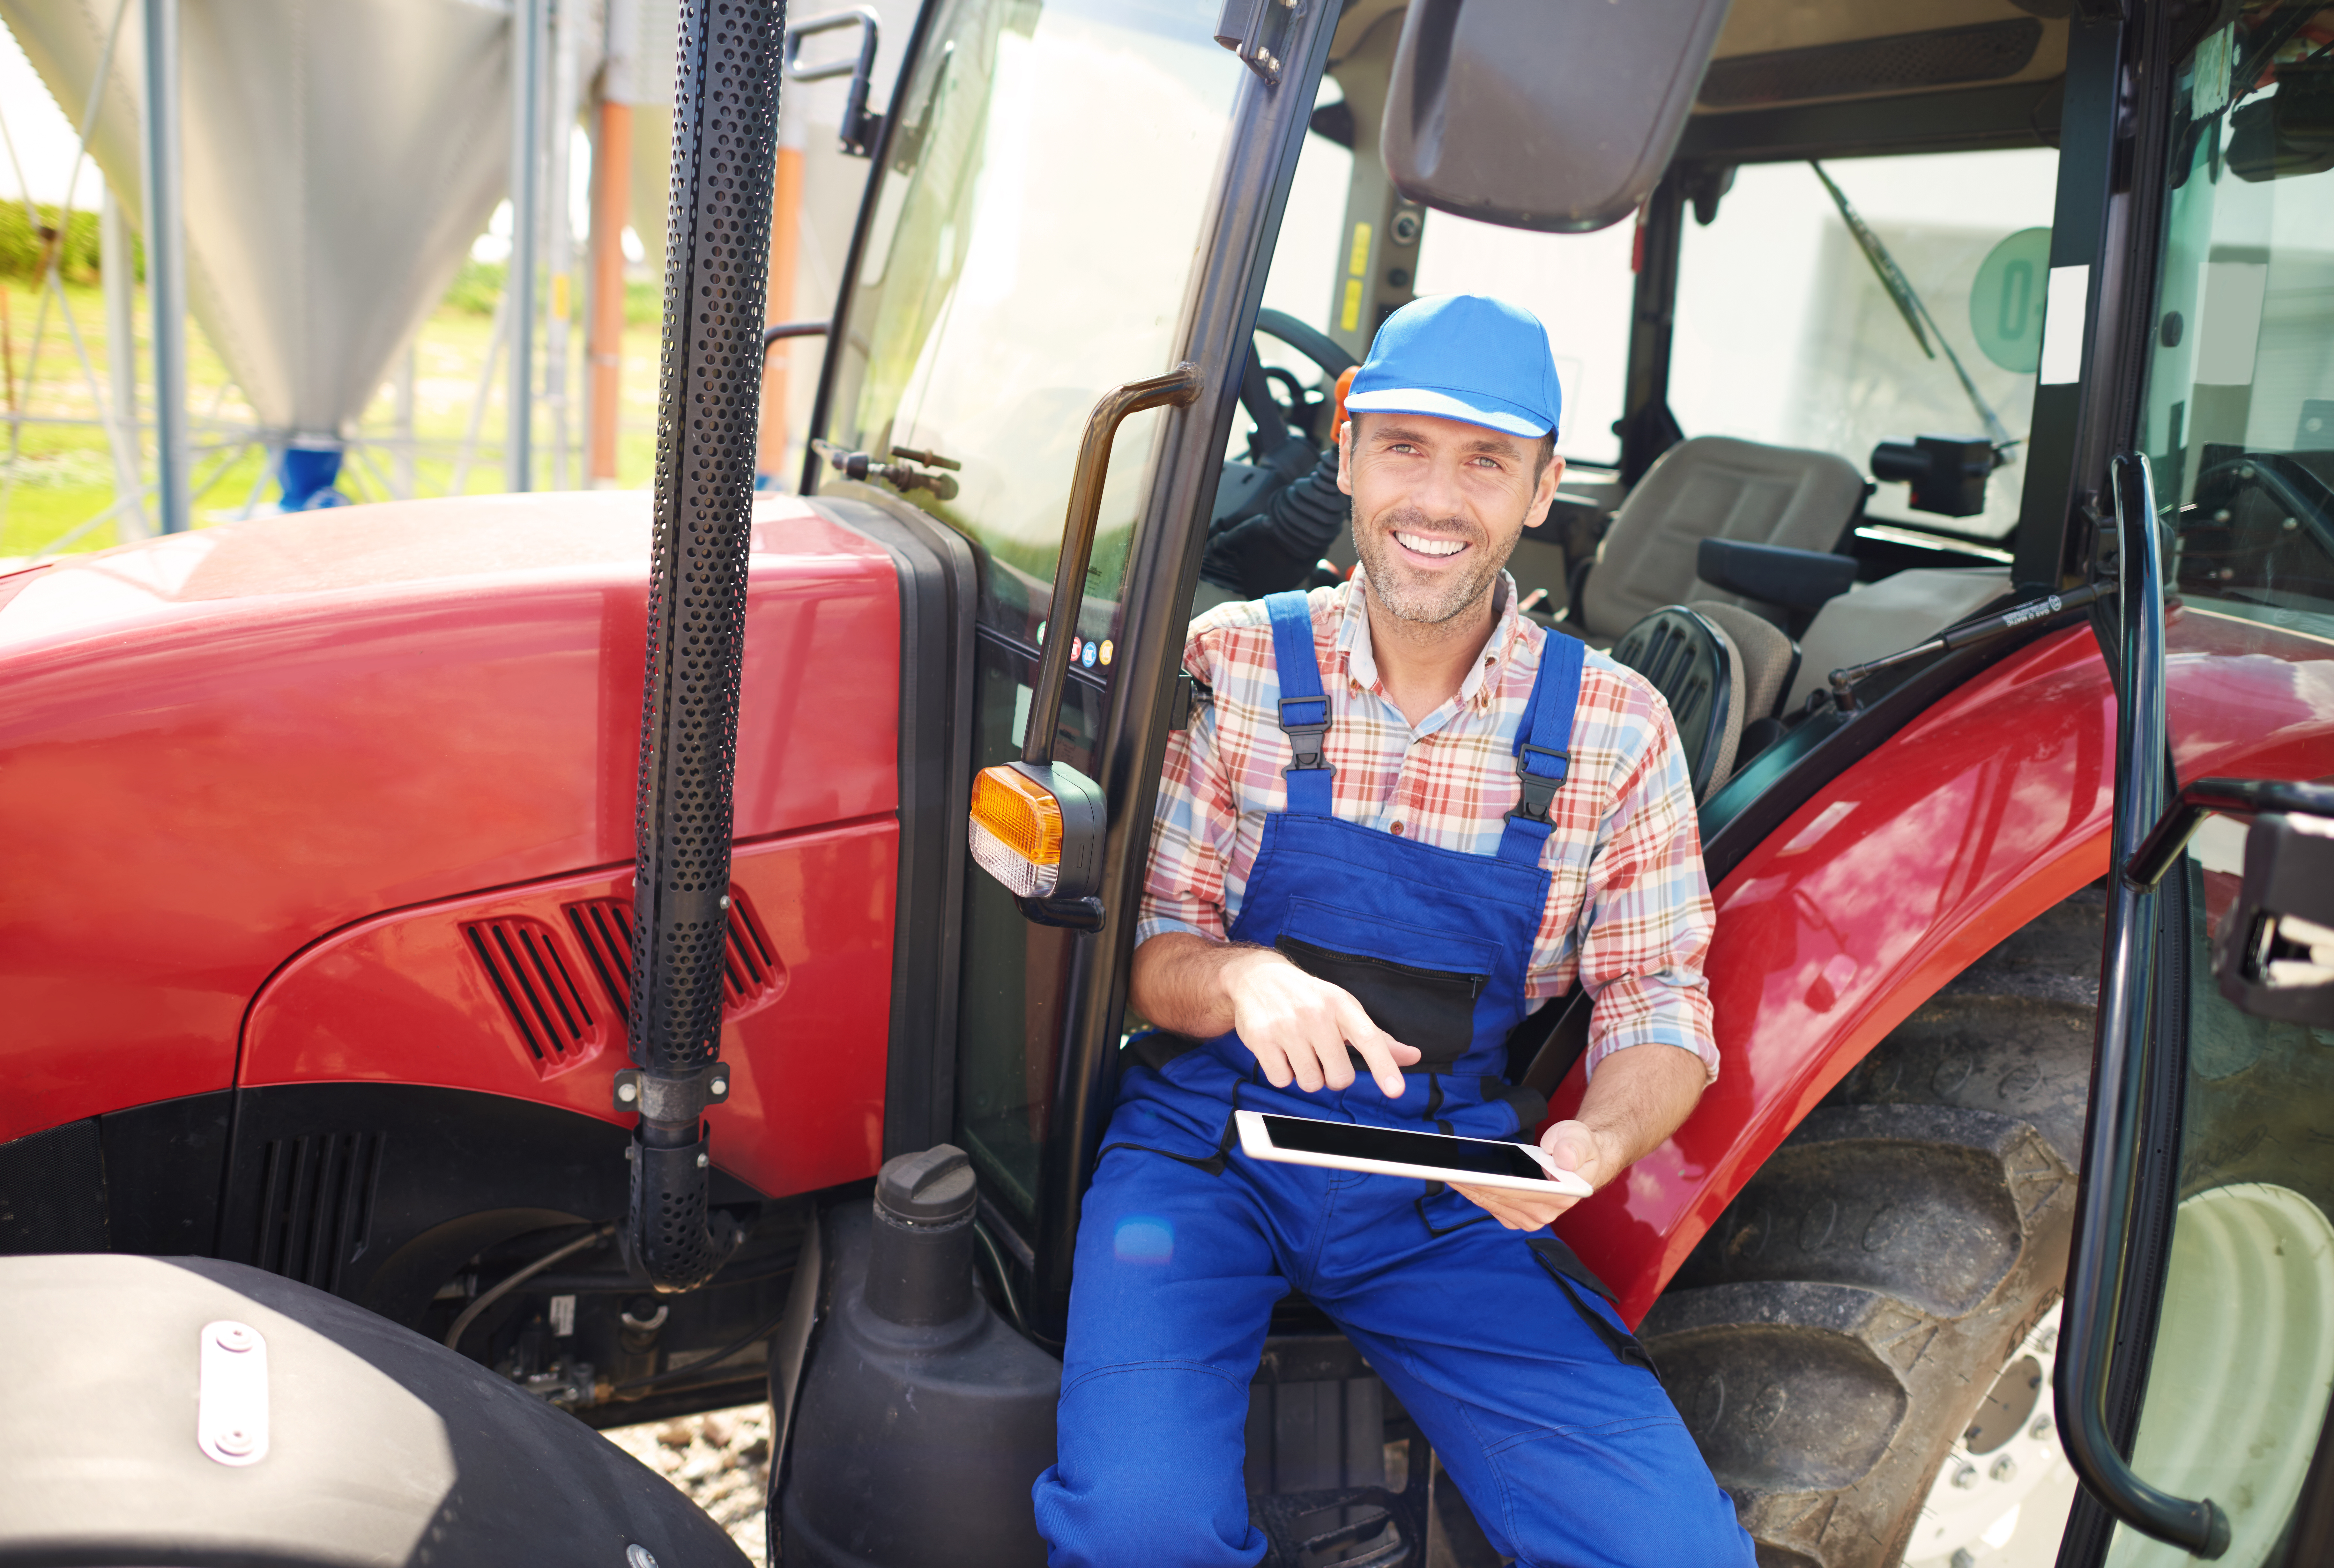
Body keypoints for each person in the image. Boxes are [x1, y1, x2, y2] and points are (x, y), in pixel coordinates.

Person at [1029, 293, 1756, 1566]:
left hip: (1438, 1178)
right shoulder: (1233, 663)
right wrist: (1242, 976)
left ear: (1540, 488)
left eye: (1484, 460)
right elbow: (1149, 955)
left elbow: (1659, 1005)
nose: (1437, 497)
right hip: (1204, 1155)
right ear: (1349, 454)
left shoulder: (1615, 727)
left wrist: (1591, 1139)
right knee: (1141, 1530)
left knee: (1668, 1553)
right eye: (1406, 448)